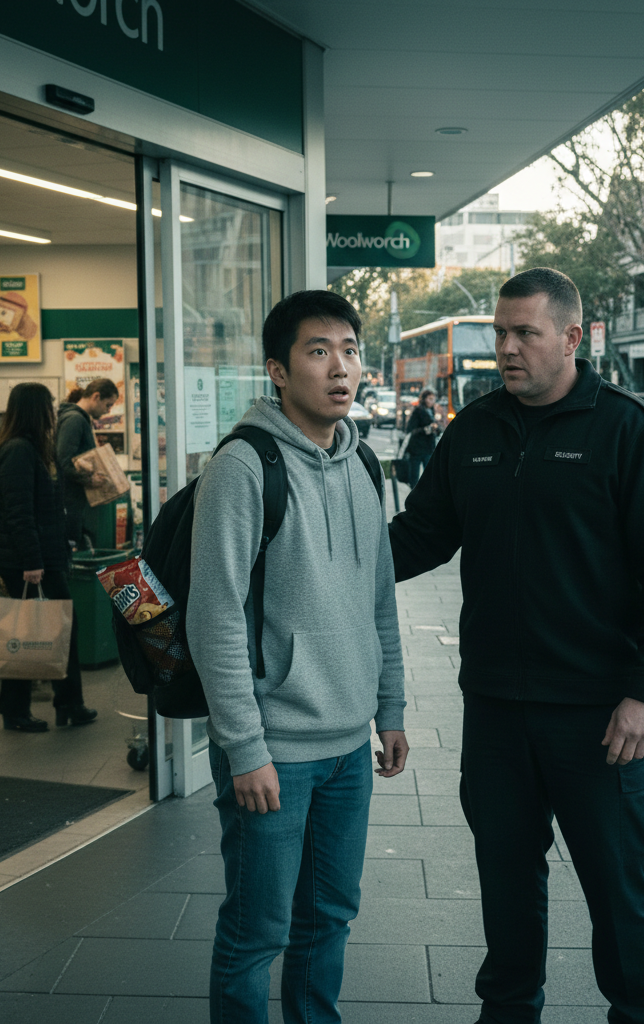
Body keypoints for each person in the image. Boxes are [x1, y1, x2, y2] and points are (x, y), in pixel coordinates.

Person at [388, 268, 644, 1024]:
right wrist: (323, 561)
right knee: (505, 879)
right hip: (495, 707)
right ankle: (509, 1012)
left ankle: (643, 1015)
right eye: (499, 332)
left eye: (524, 332)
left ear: (572, 336)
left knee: (618, 887)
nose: (506, 348)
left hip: (598, 716)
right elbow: (419, 537)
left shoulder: (629, 430)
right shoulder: (476, 430)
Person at [187, 290, 409, 1024]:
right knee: (258, 934)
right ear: (278, 372)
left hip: (349, 748)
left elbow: (379, 601)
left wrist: (391, 709)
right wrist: (245, 748)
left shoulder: (363, 465)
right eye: (319, 352)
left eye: (349, 349)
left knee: (329, 919)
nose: (340, 368)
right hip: (274, 752)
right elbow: (214, 616)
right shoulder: (245, 467)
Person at [0, 383, 96, 731]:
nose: (54, 412)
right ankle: (29, 709)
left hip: (42, 556)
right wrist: (32, 561)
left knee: (40, 628)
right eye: (49, 406)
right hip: (30, 561)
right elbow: (19, 513)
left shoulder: (30, 448)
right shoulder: (19, 451)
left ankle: (64, 703)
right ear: (36, 410)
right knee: (34, 629)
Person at [56, 378, 119, 551]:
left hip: (73, 502)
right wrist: (89, 480)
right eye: (108, 405)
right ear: (96, 396)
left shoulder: (79, 419)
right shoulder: (75, 420)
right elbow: (64, 461)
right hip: (69, 502)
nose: (108, 410)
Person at [403, 388, 440, 486]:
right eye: (430, 399)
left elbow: (435, 428)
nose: (432, 401)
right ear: (424, 399)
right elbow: (411, 430)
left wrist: (436, 429)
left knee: (429, 474)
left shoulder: (431, 411)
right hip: (417, 448)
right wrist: (426, 429)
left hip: (428, 448)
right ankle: (413, 495)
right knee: (414, 475)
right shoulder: (418, 411)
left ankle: (426, 495)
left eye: (433, 399)